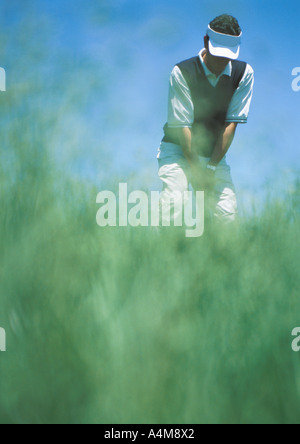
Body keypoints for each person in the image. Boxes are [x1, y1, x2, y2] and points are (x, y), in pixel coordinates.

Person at [157, 14, 254, 226]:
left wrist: (210, 168)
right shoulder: (182, 72)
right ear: (205, 42)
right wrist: (197, 174)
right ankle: (160, 255)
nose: (221, 61)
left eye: (227, 55)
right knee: (175, 203)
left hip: (214, 154)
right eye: (217, 53)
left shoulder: (243, 74)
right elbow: (183, 127)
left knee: (226, 216)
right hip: (177, 149)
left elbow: (231, 125)